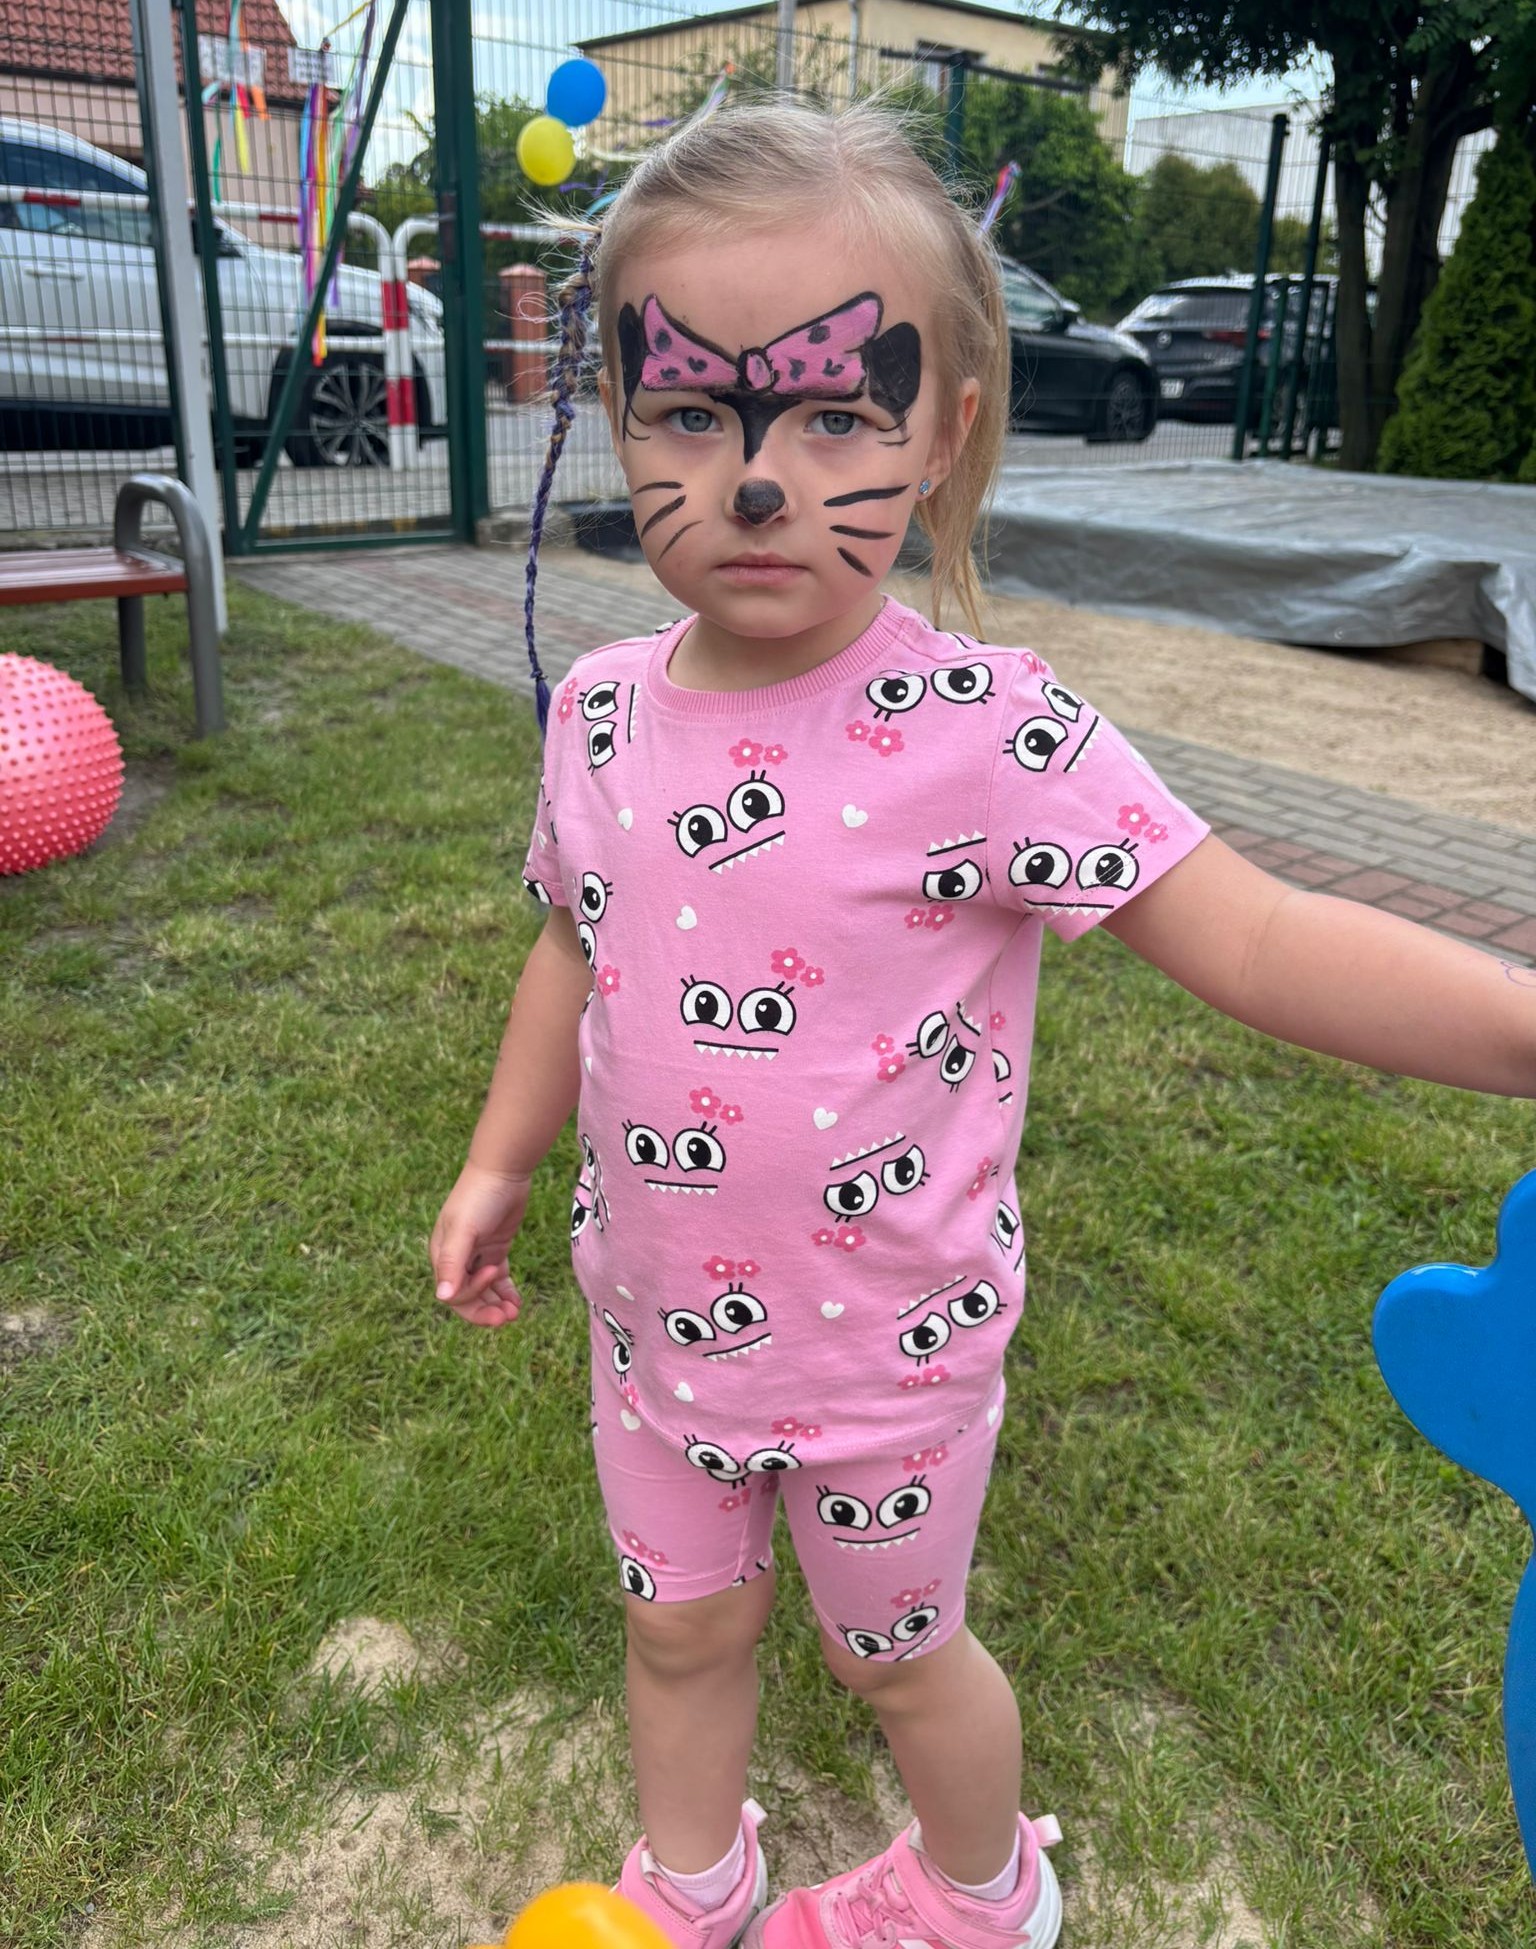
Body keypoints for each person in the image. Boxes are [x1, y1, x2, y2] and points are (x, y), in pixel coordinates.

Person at [429, 97, 1534, 1949]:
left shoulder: (991, 732)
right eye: (690, 411)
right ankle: (692, 1878)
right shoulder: (603, 712)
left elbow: (1260, 936)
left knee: (896, 1653)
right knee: (676, 1624)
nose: (756, 479)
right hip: (656, 1322)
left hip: (893, 1354)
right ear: (616, 408)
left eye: (833, 417)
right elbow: (571, 943)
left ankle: (978, 1886)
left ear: (942, 431)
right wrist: (497, 1157)